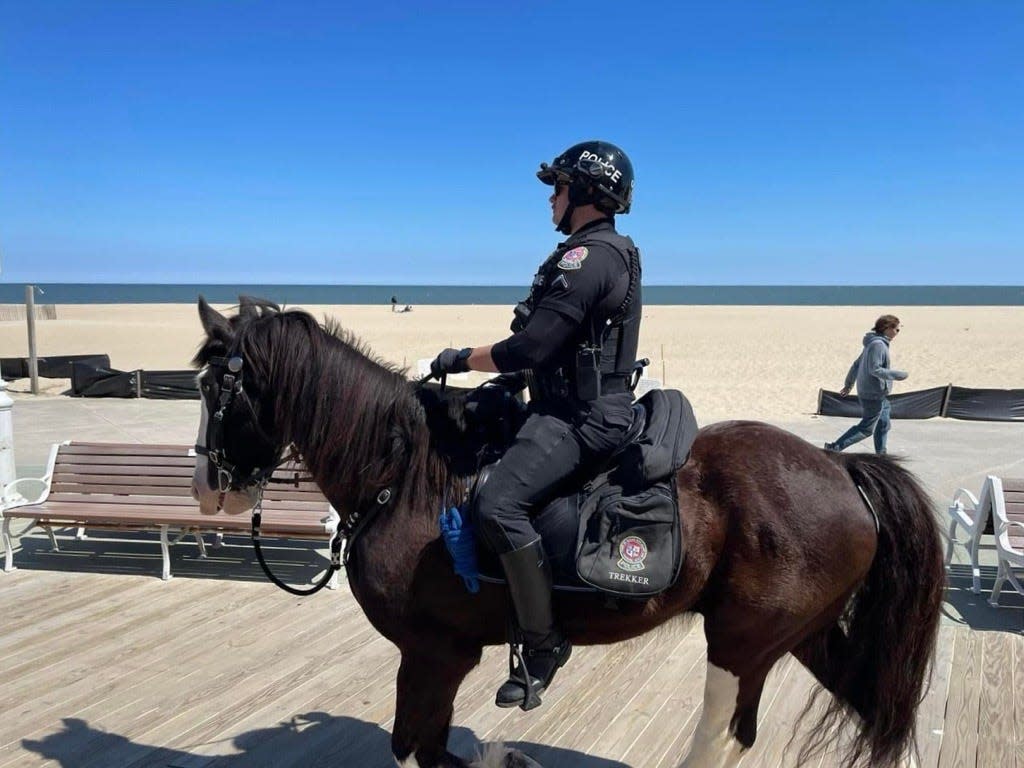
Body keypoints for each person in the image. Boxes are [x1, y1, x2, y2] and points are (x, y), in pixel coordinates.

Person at [429, 140, 642, 710]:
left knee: (497, 504)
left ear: (585, 194)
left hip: (583, 418)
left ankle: (543, 644)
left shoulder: (588, 258)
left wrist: (460, 359)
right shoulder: (591, 251)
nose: (551, 197)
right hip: (564, 403)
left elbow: (532, 344)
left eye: (559, 187)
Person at [825, 314, 908, 455]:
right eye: (897, 329)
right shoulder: (878, 345)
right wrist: (897, 375)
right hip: (873, 394)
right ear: (887, 328)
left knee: (883, 423)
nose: (897, 333)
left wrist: (848, 384)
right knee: (866, 428)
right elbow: (874, 369)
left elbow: (857, 364)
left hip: (878, 394)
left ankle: (881, 455)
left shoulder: (873, 342)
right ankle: (834, 448)